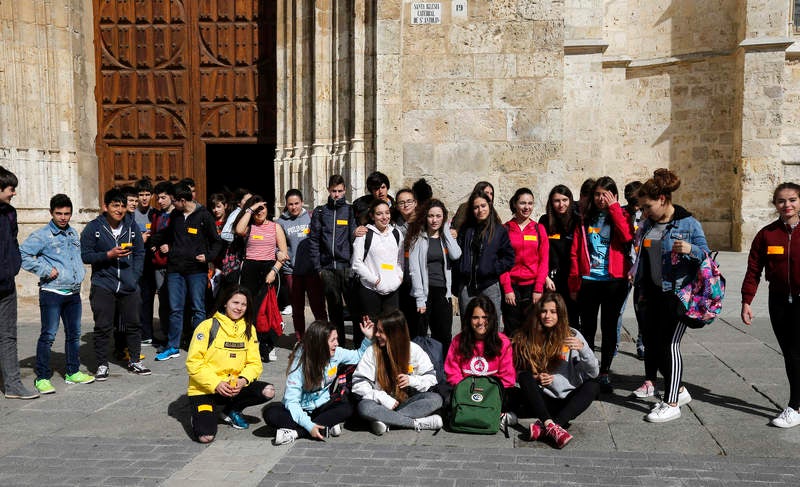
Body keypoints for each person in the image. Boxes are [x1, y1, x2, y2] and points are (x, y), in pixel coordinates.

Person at [631, 168, 709, 422]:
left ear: (662, 199)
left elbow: (707, 258)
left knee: (670, 345)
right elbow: (642, 256)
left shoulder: (688, 223)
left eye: (647, 206)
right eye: (641, 208)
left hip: (678, 296)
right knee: (654, 346)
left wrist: (691, 249)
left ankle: (672, 402)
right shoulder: (648, 224)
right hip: (652, 293)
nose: (643, 212)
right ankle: (681, 390)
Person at [21, 194, 94, 394]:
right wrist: (45, 270)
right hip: (52, 292)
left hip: (73, 293)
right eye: (59, 213)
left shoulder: (73, 234)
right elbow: (23, 254)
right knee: (49, 335)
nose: (63, 217)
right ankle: (42, 377)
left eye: (67, 214)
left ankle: (72, 371)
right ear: (51, 213)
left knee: (74, 334)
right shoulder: (42, 235)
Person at [741, 182, 800, 428]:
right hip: (778, 302)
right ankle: (796, 405)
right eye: (781, 201)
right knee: (790, 354)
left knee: (797, 353)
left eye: (792, 200)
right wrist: (746, 301)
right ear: (775, 204)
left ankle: (795, 405)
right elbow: (754, 269)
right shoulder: (767, 234)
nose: (787, 205)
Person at [186, 285, 275, 442]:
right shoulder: (207, 326)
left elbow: (255, 364)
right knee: (206, 436)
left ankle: (231, 410)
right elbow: (193, 363)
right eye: (235, 303)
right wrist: (216, 384)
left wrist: (242, 380)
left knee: (268, 391)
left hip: (233, 388)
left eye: (244, 304)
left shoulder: (249, 329)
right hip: (205, 390)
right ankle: (201, 415)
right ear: (225, 303)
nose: (239, 308)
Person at [265, 318, 375, 445]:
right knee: (271, 413)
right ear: (320, 343)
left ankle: (296, 433)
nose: (337, 344)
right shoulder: (300, 362)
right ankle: (324, 425)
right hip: (300, 409)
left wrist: (368, 338)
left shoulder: (337, 353)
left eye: (337, 339)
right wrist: (308, 424)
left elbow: (357, 357)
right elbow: (292, 401)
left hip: (323, 405)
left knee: (347, 408)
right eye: (333, 340)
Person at [569, 176, 633, 391]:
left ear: (613, 195)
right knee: (587, 328)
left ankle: (605, 370)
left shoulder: (622, 215)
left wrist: (614, 208)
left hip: (614, 281)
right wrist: (574, 283)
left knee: (609, 327)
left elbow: (626, 237)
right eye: (597, 194)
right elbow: (575, 253)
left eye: (605, 195)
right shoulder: (585, 219)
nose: (600, 199)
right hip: (589, 281)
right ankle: (589, 368)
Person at [80, 188, 151, 380]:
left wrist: (135, 276)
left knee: (134, 324)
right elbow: (85, 255)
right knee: (103, 326)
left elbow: (139, 252)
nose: (119, 210)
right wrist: (107, 255)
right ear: (106, 207)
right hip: (103, 284)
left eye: (122, 206)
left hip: (129, 284)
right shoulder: (94, 227)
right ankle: (102, 364)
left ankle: (135, 360)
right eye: (115, 205)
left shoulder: (132, 226)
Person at [513, 292, 599, 448]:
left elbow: (593, 372)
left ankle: (551, 426)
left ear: (560, 313)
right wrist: (537, 377)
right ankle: (551, 424)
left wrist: (583, 349)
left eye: (553, 312)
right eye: (544, 311)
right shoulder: (530, 336)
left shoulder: (572, 335)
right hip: (543, 399)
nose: (548, 316)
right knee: (525, 377)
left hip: (567, 399)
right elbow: (518, 373)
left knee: (593, 385)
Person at [151, 182, 223, 361]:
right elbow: (166, 234)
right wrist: (151, 240)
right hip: (175, 269)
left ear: (183, 200)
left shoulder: (204, 216)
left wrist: (207, 257)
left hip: (196, 271)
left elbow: (216, 241)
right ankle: (173, 346)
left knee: (198, 308)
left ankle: (199, 346)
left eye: (174, 201)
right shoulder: (176, 215)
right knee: (175, 309)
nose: (172, 204)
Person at [352, 310, 443, 435]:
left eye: (381, 331)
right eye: (377, 330)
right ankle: (417, 423)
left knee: (435, 399)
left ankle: (385, 420)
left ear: (394, 334)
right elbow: (359, 384)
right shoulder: (372, 351)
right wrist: (381, 397)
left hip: (407, 403)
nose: (376, 335)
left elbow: (432, 378)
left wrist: (412, 380)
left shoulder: (414, 350)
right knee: (364, 407)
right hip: (380, 404)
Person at [444, 295, 517, 428]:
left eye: (485, 317)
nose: (480, 322)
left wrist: (487, 393)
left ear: (492, 319)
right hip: (465, 392)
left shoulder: (503, 342)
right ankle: (495, 415)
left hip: (493, 393)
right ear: (468, 320)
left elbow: (507, 378)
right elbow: (452, 372)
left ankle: (482, 412)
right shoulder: (458, 341)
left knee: (517, 395)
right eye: (475, 317)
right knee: (443, 393)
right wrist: (467, 392)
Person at [0, 166, 39, 399]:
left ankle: (13, 385)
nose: (14, 193)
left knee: (8, 334)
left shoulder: (10, 213)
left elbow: (13, 241)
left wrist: (13, 266)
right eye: (11, 189)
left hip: (6, 284)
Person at [234, 194, 288, 361]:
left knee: (266, 309)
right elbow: (238, 230)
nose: (259, 212)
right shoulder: (249, 228)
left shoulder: (275, 227)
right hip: (250, 268)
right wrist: (250, 209)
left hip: (268, 270)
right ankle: (251, 342)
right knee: (249, 308)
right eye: (256, 209)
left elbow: (284, 254)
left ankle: (267, 343)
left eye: (262, 208)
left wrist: (273, 271)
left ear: (267, 209)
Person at [308, 175, 356, 345]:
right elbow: (313, 240)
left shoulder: (350, 211)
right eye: (334, 191)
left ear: (345, 191)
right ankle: (338, 347)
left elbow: (354, 239)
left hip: (346, 267)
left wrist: (353, 265)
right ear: (328, 190)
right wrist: (318, 268)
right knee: (334, 312)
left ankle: (359, 348)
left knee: (354, 309)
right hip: (327, 268)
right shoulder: (321, 211)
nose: (337, 194)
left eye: (340, 191)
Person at [407, 199, 462, 347]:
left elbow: (456, 254)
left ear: (443, 218)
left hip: (443, 292)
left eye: (438, 216)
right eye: (431, 216)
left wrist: (446, 230)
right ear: (425, 217)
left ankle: (443, 367)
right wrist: (419, 298)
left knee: (443, 334)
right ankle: (421, 367)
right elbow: (414, 270)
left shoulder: (446, 239)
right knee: (420, 335)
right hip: (424, 293)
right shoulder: (417, 239)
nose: (434, 220)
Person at [454, 190, 515, 320]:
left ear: (489, 206)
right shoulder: (466, 230)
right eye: (476, 207)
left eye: (483, 206)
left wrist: (492, 269)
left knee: (492, 323)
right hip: (467, 286)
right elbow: (457, 254)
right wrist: (462, 269)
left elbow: (509, 258)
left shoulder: (499, 230)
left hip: (489, 285)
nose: (480, 210)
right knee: (468, 324)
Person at [351, 199, 404, 345]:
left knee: (391, 330)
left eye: (387, 213)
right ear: (372, 216)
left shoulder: (397, 233)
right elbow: (356, 263)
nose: (384, 217)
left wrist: (398, 279)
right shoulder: (364, 234)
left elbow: (400, 261)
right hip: (370, 290)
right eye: (379, 214)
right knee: (370, 330)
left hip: (392, 289)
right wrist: (376, 280)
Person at [277, 189, 327, 341]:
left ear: (302, 202)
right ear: (286, 204)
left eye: (296, 203)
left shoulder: (312, 217)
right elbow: (275, 245)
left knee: (318, 306)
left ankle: (323, 338)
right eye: (290, 204)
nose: (293, 207)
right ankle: (301, 340)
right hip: (292, 271)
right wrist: (278, 253)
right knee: (297, 309)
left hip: (312, 270)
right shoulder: (280, 223)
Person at [500, 188, 549, 336]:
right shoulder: (505, 229)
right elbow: (501, 261)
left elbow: (544, 260)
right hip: (512, 287)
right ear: (515, 204)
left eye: (530, 203)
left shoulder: (538, 229)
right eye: (522, 203)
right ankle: (513, 359)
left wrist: (538, 288)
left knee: (532, 331)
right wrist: (507, 288)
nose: (526, 207)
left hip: (532, 287)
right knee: (512, 330)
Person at [538, 185, 580, 328]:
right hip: (551, 279)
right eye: (557, 201)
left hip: (571, 278)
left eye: (565, 200)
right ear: (551, 202)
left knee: (571, 319)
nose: (561, 204)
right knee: (550, 318)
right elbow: (540, 252)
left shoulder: (576, 221)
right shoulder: (544, 221)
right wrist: (545, 277)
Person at [143, 181, 174, 346]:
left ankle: (177, 334)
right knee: (163, 299)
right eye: (158, 198)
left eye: (163, 197)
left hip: (174, 265)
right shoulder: (156, 215)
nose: (160, 201)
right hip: (158, 264)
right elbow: (154, 235)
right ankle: (165, 331)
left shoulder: (178, 215)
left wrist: (171, 246)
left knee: (175, 300)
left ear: (171, 197)